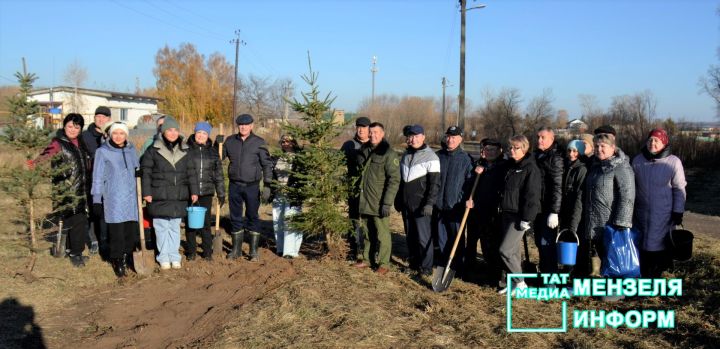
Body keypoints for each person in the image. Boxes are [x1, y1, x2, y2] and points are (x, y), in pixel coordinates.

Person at [30, 113, 91, 267]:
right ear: (64, 126)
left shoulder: (81, 143)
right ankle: (76, 253)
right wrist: (33, 163)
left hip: (81, 188)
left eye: (76, 127)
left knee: (75, 220)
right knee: (77, 220)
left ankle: (70, 249)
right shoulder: (58, 143)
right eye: (70, 126)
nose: (73, 130)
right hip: (66, 190)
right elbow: (45, 155)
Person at [141, 116, 199, 270]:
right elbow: (146, 173)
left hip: (179, 195)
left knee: (174, 227)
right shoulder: (153, 150)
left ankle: (174, 256)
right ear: (163, 131)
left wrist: (194, 191)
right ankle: (163, 256)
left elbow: (191, 172)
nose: (173, 133)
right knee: (161, 227)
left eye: (175, 130)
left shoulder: (185, 150)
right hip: (159, 194)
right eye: (169, 130)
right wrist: (146, 192)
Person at [632, 128, 686, 278]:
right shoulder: (638, 161)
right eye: (650, 140)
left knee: (659, 244)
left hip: (663, 212)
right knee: (642, 242)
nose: (653, 143)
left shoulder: (673, 162)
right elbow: (631, 186)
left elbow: (679, 188)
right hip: (641, 212)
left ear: (664, 143)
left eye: (657, 140)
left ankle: (657, 273)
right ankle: (644, 273)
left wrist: (678, 211)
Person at [582, 133, 635, 279]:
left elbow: (627, 196)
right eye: (597, 146)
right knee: (597, 255)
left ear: (613, 148)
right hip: (595, 222)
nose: (599, 149)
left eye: (603, 146)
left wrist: (621, 225)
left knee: (614, 258)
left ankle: (616, 288)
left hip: (612, 225)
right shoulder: (595, 166)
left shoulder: (622, 167)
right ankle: (599, 283)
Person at [91, 122, 140, 277]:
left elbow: (137, 169)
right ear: (110, 134)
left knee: (130, 232)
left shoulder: (132, 150)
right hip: (114, 198)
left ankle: (128, 257)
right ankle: (117, 260)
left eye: (122, 133)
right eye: (115, 133)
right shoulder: (103, 152)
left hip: (131, 198)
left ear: (126, 135)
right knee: (117, 232)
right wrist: (97, 199)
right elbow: (97, 176)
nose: (119, 137)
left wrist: (140, 173)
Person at [223, 113, 273, 262]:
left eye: (246, 124)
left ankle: (253, 252)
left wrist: (268, 185)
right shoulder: (230, 141)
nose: (243, 127)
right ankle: (236, 250)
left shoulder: (259, 142)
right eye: (240, 125)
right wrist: (216, 145)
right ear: (238, 126)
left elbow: (267, 164)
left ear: (252, 126)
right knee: (235, 217)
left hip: (252, 186)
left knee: (252, 217)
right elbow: (218, 157)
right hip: (234, 186)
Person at [354, 122, 400, 275]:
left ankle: (384, 263)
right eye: (371, 132)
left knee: (382, 234)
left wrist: (387, 203)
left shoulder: (388, 154)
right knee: (367, 232)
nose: (373, 135)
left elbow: (394, 180)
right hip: (365, 199)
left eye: (376, 132)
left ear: (382, 134)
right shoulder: (365, 150)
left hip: (379, 201)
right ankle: (367, 259)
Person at [497, 135, 541, 294]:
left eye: (516, 148)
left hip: (519, 216)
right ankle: (515, 284)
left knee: (505, 250)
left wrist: (527, 218)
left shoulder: (530, 169)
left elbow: (532, 195)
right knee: (514, 252)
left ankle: (520, 283)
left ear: (524, 149)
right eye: (510, 148)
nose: (512, 151)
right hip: (506, 213)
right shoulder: (509, 166)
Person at [396, 124, 440, 276]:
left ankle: (426, 268)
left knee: (423, 238)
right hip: (407, 205)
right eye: (410, 136)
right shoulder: (406, 155)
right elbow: (402, 181)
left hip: (422, 206)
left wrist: (429, 204)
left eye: (416, 136)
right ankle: (414, 264)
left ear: (423, 137)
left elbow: (435, 185)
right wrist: (398, 199)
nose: (413, 139)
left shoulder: (431, 157)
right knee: (411, 237)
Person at [465, 138, 509, 286]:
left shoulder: (504, 166)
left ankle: (494, 275)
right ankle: (470, 270)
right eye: (486, 149)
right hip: (475, 210)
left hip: (493, 213)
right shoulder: (479, 165)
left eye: (492, 149)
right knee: (471, 241)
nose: (489, 152)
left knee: (490, 245)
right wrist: (469, 199)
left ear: (499, 151)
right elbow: (471, 186)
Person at [435, 126, 474, 277]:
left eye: (454, 137)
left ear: (460, 139)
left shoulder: (465, 159)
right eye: (449, 137)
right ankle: (444, 263)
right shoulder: (439, 156)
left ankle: (458, 266)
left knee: (456, 238)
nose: (451, 140)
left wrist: (463, 201)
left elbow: (470, 184)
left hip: (456, 207)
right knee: (441, 237)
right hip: (440, 205)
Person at [186, 121, 225, 261]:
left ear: (208, 135)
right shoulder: (186, 149)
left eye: (204, 133)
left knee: (206, 223)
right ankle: (191, 252)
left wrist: (221, 192)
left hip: (207, 192)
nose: (201, 136)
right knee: (191, 224)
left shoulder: (213, 152)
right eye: (199, 133)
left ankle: (207, 251)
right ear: (194, 133)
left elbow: (219, 174)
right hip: (190, 192)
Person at [533, 127, 563, 276]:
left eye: (543, 137)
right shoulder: (537, 155)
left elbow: (557, 186)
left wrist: (554, 211)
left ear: (552, 139)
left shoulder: (555, 158)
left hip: (548, 208)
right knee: (539, 242)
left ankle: (550, 279)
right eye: (538, 137)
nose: (539, 140)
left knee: (547, 244)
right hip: (538, 207)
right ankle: (544, 273)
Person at [82, 106, 113, 256]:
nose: (100, 119)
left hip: (110, 180)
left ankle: (106, 239)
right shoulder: (86, 136)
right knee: (94, 210)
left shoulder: (113, 134)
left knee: (107, 211)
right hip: (91, 178)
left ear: (109, 119)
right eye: (98, 116)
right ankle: (93, 239)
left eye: (104, 117)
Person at [341, 116, 371, 259]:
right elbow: (339, 164)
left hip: (370, 190)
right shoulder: (348, 145)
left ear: (369, 129)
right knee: (353, 218)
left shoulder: (375, 145)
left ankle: (369, 248)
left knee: (369, 219)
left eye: (364, 127)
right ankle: (353, 249)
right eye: (358, 127)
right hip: (353, 187)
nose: (361, 130)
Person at [559, 140, 588, 277]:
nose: (571, 154)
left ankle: (576, 274)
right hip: (564, 211)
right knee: (566, 243)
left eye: (575, 151)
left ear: (580, 152)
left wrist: (574, 221)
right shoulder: (565, 166)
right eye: (569, 150)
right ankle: (567, 270)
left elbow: (579, 197)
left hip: (576, 214)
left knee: (576, 244)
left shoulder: (582, 169)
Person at [272, 135, 304, 258]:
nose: (286, 144)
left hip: (293, 194)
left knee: (290, 220)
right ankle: (280, 248)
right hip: (278, 193)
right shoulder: (277, 157)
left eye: (289, 141)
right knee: (278, 221)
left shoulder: (299, 158)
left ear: (294, 142)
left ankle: (291, 251)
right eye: (283, 141)